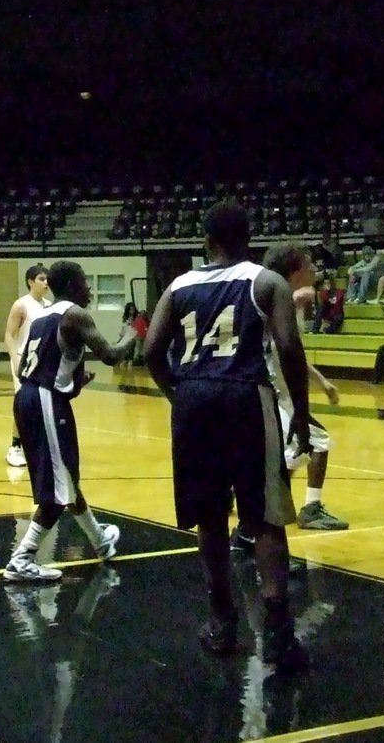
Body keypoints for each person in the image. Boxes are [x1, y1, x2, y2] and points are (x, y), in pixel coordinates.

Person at [143, 201, 310, 672]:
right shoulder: (266, 282)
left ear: (206, 240)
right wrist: (300, 409)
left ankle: (221, 623)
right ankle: (277, 635)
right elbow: (289, 346)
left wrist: (177, 393)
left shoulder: (178, 286)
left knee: (210, 518)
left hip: (194, 398)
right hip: (244, 395)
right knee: (265, 517)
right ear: (248, 237)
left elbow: (152, 351)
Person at [5, 260, 132, 582]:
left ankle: (100, 542)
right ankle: (22, 558)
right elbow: (112, 356)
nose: (89, 288)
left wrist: (76, 383)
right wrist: (136, 333)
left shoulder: (42, 318)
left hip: (31, 398)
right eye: (85, 282)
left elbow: (41, 375)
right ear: (73, 286)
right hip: (46, 400)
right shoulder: (74, 314)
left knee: (67, 480)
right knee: (58, 491)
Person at [258, 244, 348, 530]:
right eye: (309, 264)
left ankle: (253, 498)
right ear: (295, 272)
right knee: (315, 441)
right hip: (272, 391)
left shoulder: (278, 297)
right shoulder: (281, 300)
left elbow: (290, 353)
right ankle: (305, 508)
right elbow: (281, 351)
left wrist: (321, 382)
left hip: (275, 389)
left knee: (296, 450)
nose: (315, 270)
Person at [3, 263, 50, 467]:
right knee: (23, 405)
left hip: (41, 360)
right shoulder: (21, 305)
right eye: (41, 278)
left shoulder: (49, 305)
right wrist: (15, 359)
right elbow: (9, 335)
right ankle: (15, 447)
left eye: (47, 278)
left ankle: (36, 446)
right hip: (23, 358)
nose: (45, 282)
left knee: (41, 404)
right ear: (31, 281)